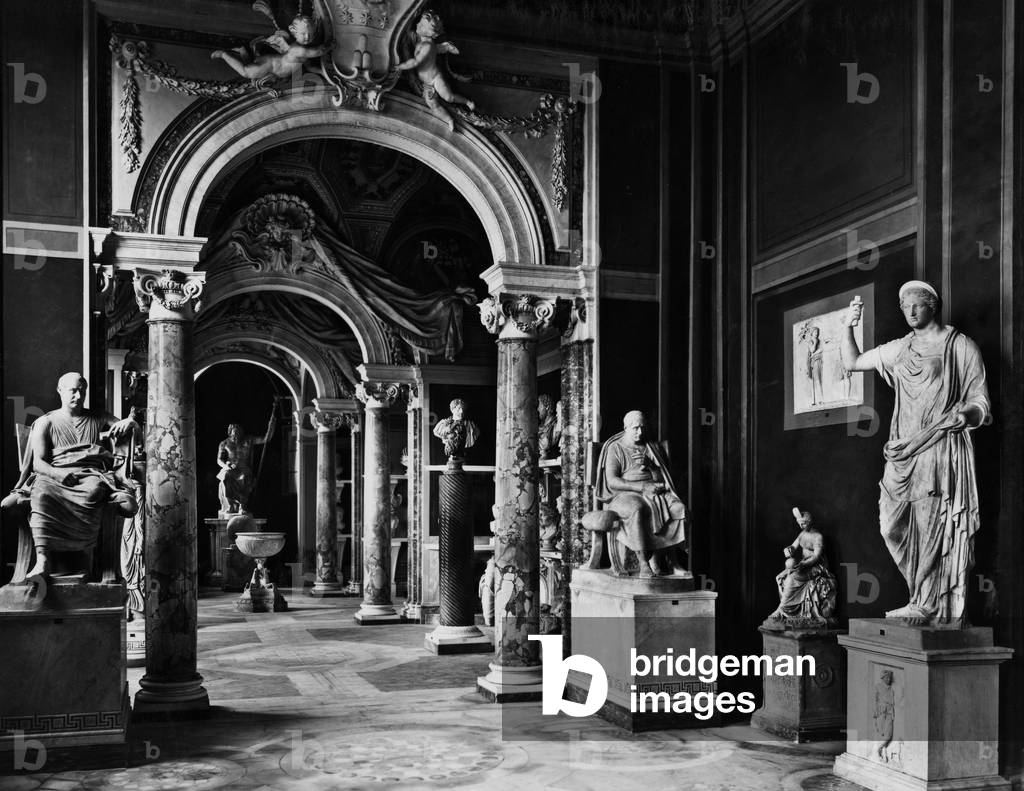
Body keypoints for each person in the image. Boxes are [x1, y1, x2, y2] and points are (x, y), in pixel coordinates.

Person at [841, 281, 990, 626]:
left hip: (938, 446)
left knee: (930, 525)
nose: (909, 311)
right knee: (891, 526)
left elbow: (980, 400)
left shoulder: (960, 346)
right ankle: (920, 598)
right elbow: (853, 362)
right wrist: (848, 325)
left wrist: (966, 415)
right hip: (902, 450)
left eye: (917, 305)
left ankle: (926, 604)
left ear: (932, 306)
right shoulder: (900, 348)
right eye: (904, 306)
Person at [3, 372, 139, 579]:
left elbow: (130, 430)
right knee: (41, 492)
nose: (78, 395)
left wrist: (130, 422)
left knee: (94, 490)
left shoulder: (98, 417)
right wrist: (58, 474)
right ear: (60, 391)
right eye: (73, 391)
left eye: (82, 391)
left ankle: (84, 558)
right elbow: (38, 463)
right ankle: (42, 560)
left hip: (89, 474)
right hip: (53, 477)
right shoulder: (46, 422)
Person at [595, 410, 688, 577]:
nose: (640, 432)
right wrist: (642, 487)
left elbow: (663, 478)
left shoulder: (651, 447)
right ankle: (643, 562)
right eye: (635, 428)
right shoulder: (616, 448)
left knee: (679, 508)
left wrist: (651, 465)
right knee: (637, 509)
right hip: (624, 494)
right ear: (626, 428)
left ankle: (671, 561)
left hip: (654, 490)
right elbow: (612, 481)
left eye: (642, 428)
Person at [396, 10, 476, 130]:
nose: (417, 25)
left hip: (435, 78)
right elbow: (438, 48)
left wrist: (399, 66)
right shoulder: (422, 42)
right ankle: (449, 119)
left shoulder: (427, 46)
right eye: (419, 24)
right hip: (426, 83)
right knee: (433, 105)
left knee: (448, 97)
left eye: (420, 25)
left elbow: (415, 62)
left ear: (429, 31)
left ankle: (467, 102)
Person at [764, 508, 837, 629]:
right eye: (799, 524)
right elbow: (794, 546)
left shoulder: (817, 537)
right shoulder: (802, 534)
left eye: (803, 523)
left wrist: (805, 564)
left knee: (792, 578)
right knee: (785, 570)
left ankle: (782, 609)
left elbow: (816, 556)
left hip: (816, 567)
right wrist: (789, 550)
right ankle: (786, 609)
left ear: (809, 522)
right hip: (803, 564)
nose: (801, 526)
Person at [217, 423, 269, 516]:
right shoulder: (224, 443)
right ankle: (230, 505)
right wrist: (226, 466)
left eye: (238, 433)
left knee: (244, 477)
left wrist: (271, 426)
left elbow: (265, 439)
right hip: (230, 468)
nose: (236, 436)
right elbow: (219, 460)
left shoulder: (248, 440)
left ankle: (242, 505)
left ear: (241, 433)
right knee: (225, 476)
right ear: (230, 433)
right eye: (234, 433)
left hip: (244, 468)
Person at [432, 398, 480, 465]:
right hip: (450, 453)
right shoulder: (444, 424)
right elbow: (437, 432)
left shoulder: (470, 425)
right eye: (459, 408)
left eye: (463, 409)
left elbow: (476, 433)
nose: (461, 411)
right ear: (452, 410)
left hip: (462, 456)